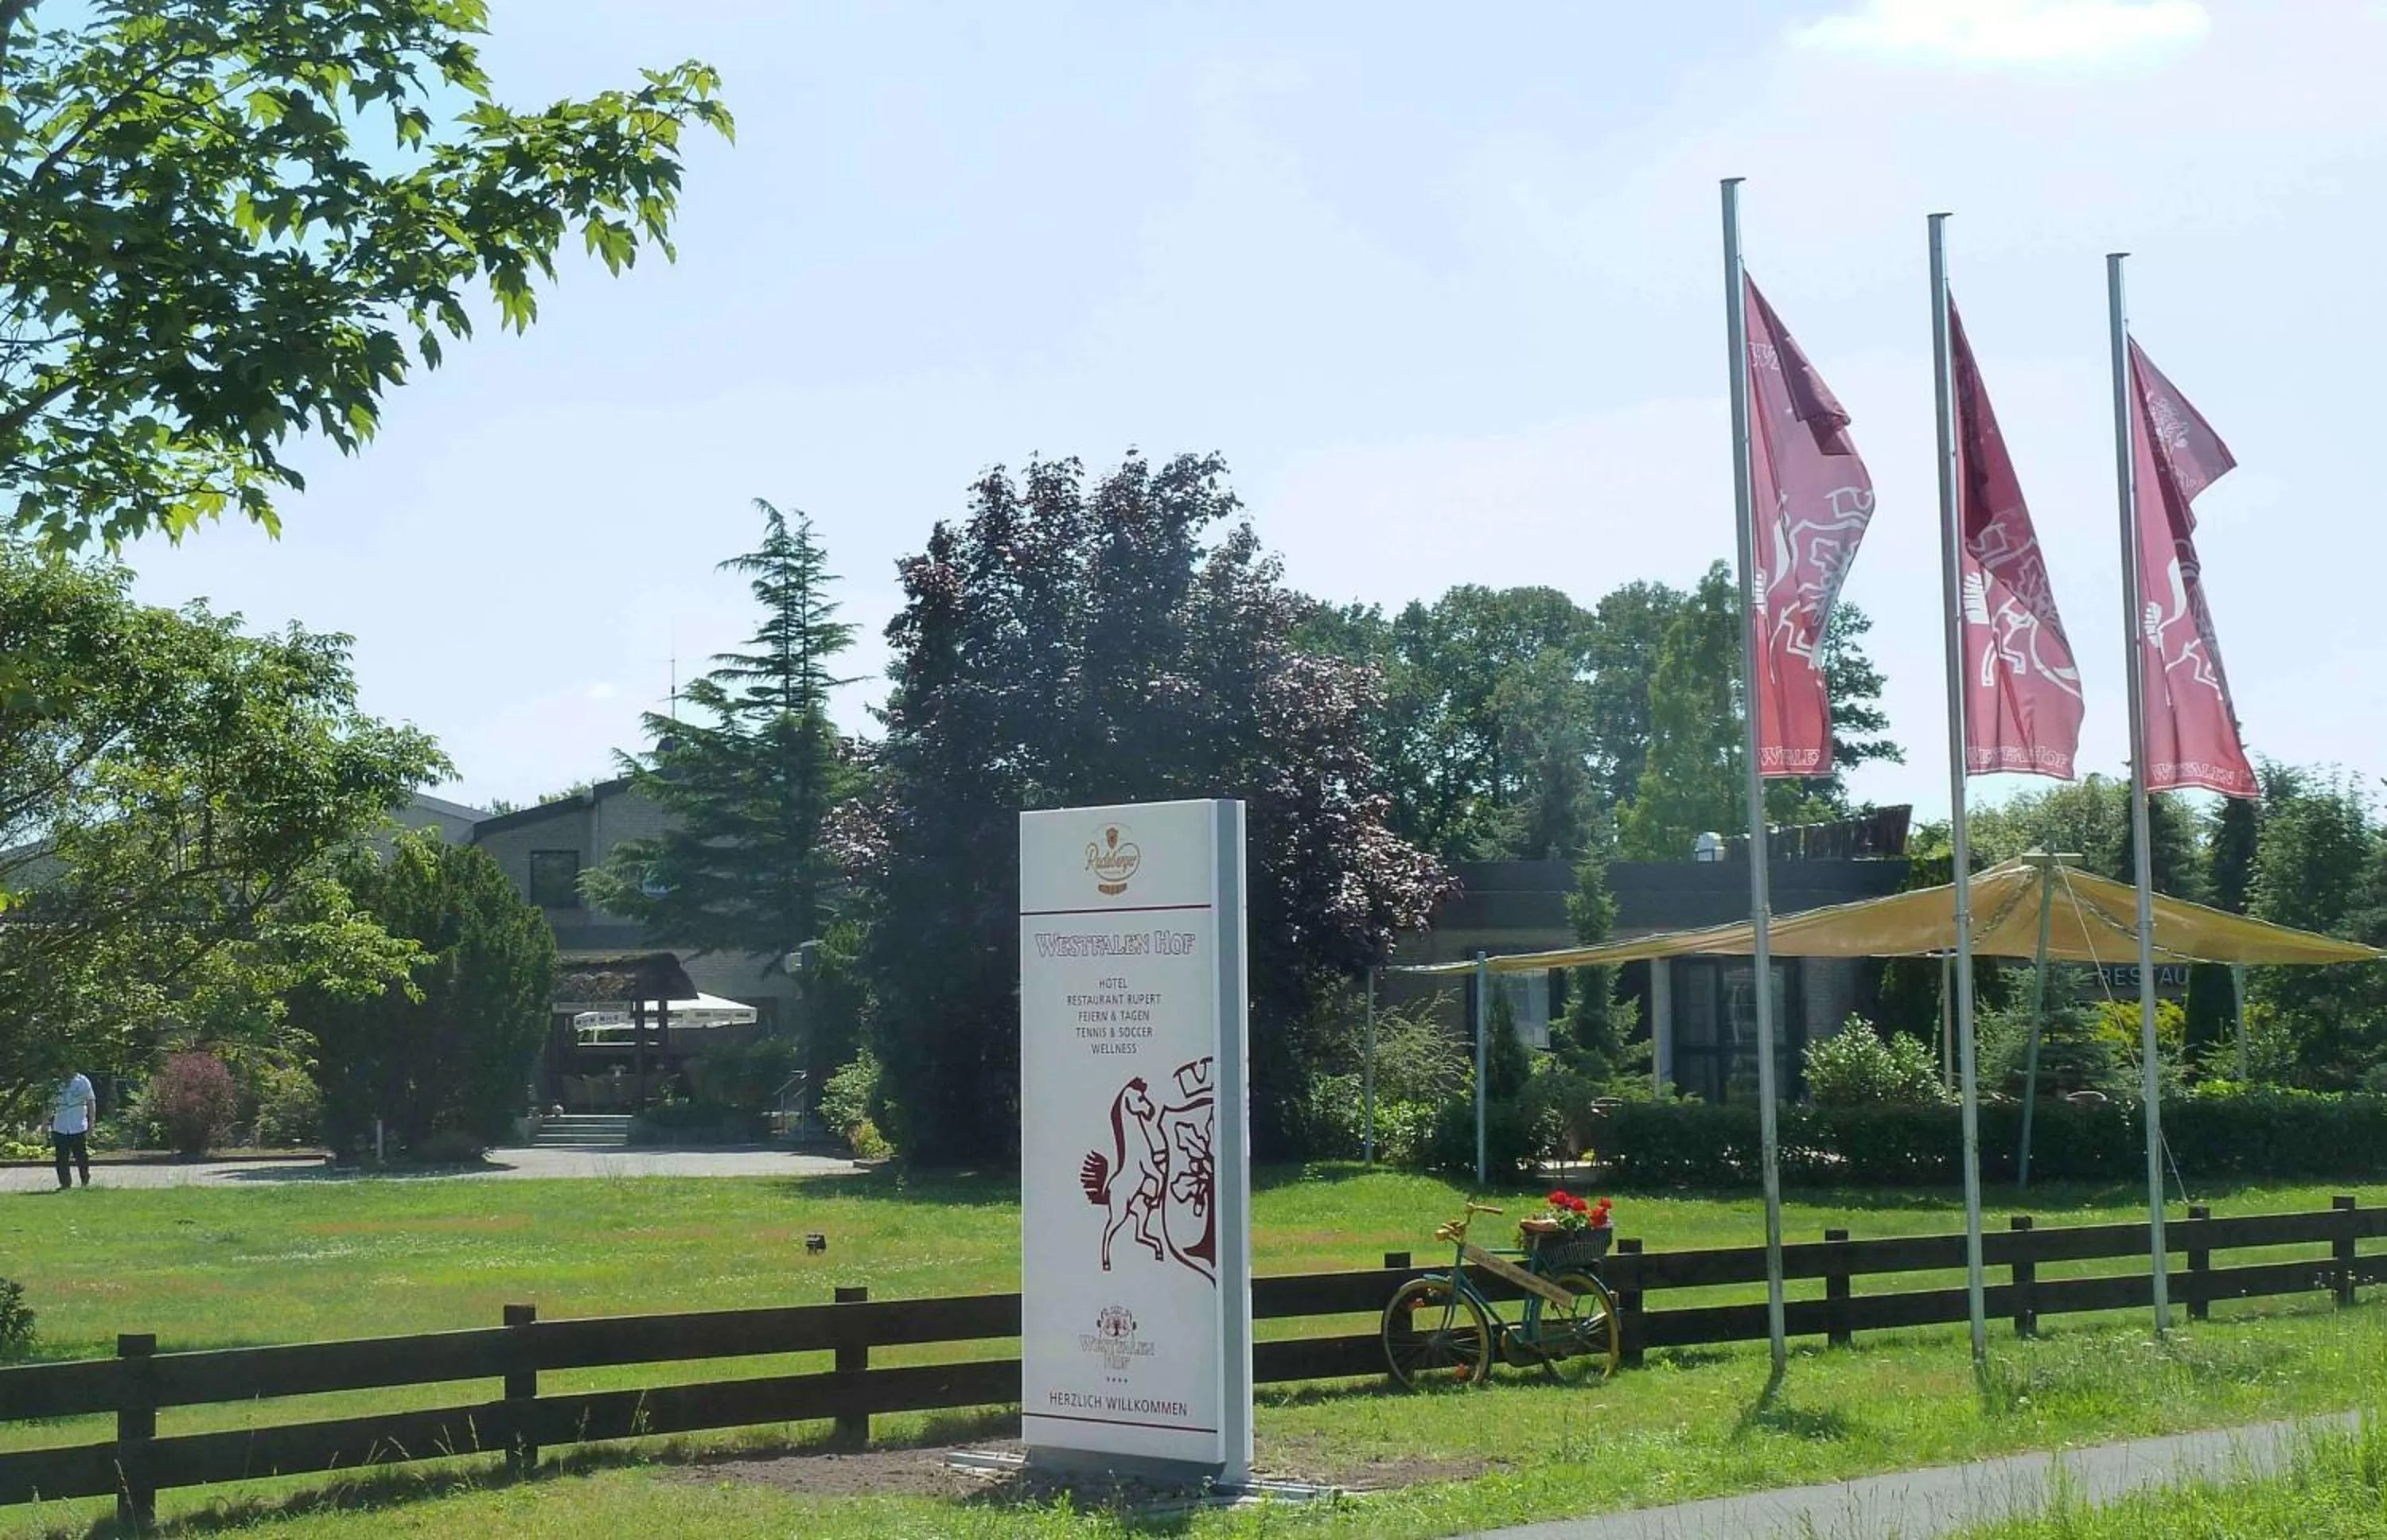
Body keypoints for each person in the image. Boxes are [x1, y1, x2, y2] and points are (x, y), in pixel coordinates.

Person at [51, 1070, 95, 1190]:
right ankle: (65, 1183)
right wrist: (45, 1122)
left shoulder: (83, 1081)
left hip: (78, 1124)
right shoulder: (55, 1083)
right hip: (61, 1125)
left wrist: (92, 1123)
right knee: (61, 1157)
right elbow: (49, 1103)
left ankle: (85, 1180)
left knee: (81, 1156)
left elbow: (91, 1101)